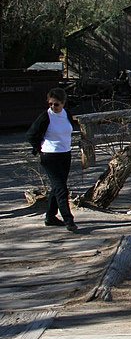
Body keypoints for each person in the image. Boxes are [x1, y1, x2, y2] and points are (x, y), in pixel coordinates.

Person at [26, 88, 79, 232]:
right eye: (50, 104)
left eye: (56, 104)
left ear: (63, 103)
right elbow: (31, 135)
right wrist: (39, 148)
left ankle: (50, 216)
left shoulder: (66, 114)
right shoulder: (45, 117)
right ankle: (69, 220)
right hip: (50, 156)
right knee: (62, 189)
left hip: (65, 154)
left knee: (57, 187)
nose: (53, 107)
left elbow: (68, 129)